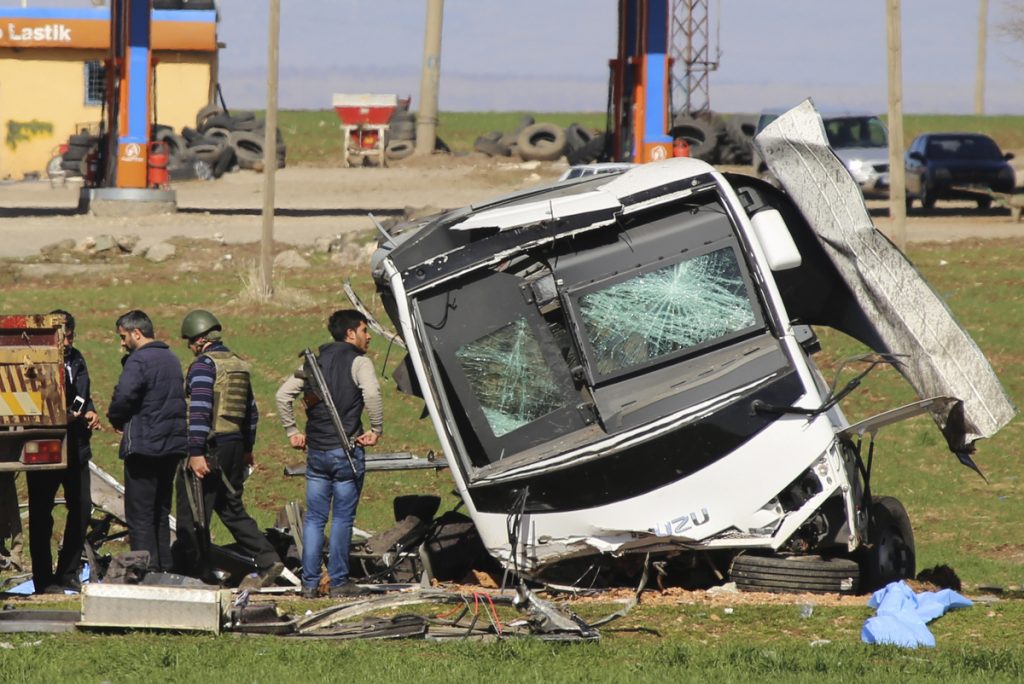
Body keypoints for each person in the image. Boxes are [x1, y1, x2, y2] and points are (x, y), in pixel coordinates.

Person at [276, 310, 383, 598]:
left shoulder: (315, 362)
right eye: (364, 330)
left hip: (317, 454)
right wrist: (376, 428)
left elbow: (283, 395)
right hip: (346, 452)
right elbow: (372, 394)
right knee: (342, 519)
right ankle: (338, 582)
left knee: (313, 519)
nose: (368, 335)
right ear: (351, 334)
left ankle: (309, 584)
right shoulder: (360, 362)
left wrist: (292, 431)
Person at [173, 309, 283, 587]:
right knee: (231, 508)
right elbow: (252, 411)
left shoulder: (203, 366)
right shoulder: (238, 364)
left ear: (200, 340)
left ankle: (196, 574)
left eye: (190, 341)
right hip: (234, 444)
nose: (189, 347)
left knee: (194, 513)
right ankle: (269, 558)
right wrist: (247, 448)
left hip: (209, 447)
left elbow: (199, 410)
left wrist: (196, 452)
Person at [106, 310, 187, 573]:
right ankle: (164, 567)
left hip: (144, 446)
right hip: (172, 446)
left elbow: (124, 397)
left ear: (136, 333)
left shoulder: (138, 361)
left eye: (123, 337)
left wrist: (116, 418)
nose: (122, 343)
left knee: (140, 513)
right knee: (160, 511)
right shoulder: (171, 359)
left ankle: (145, 571)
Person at [27, 310, 100, 594]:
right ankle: (43, 579)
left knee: (81, 508)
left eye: (70, 336)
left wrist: (87, 410)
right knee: (41, 513)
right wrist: (60, 416)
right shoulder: (33, 359)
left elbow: (83, 392)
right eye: (63, 336)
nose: (67, 341)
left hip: (77, 445)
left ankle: (68, 572)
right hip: (45, 445)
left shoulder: (76, 358)